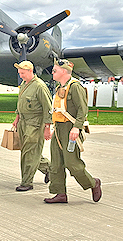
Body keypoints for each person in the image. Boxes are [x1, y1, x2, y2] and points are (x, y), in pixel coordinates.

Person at [44, 59, 102, 203]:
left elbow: (83, 109)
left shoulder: (75, 87)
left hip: (70, 129)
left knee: (72, 163)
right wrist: (53, 127)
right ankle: (60, 193)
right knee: (56, 164)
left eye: (55, 70)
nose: (52, 72)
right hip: (58, 129)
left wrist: (77, 127)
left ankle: (93, 183)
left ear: (64, 71)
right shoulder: (59, 87)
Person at [12, 61, 51, 191]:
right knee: (29, 152)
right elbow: (20, 103)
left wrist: (47, 128)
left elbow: (48, 108)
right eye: (19, 73)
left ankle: (26, 182)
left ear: (30, 71)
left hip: (35, 124)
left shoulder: (40, 87)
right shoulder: (24, 84)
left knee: (29, 153)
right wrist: (16, 119)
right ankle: (50, 169)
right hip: (23, 122)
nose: (20, 75)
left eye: (22, 73)